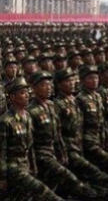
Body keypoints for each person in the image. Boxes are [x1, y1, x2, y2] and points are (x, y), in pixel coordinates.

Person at [28, 71, 102, 200]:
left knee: (59, 187)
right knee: (78, 183)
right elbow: (29, 142)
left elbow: (58, 133)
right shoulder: (33, 111)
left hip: (67, 150)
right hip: (45, 156)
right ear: (34, 88)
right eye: (44, 85)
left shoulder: (52, 106)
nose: (48, 87)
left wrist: (62, 153)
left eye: (49, 84)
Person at [0, 77, 63, 201]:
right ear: (12, 97)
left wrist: (33, 166)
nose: (26, 95)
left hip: (25, 165)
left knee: (18, 196)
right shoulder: (5, 121)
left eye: (27, 92)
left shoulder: (27, 117)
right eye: (22, 93)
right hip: (12, 167)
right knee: (42, 191)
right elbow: (0, 152)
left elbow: (30, 146)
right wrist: (1, 177)